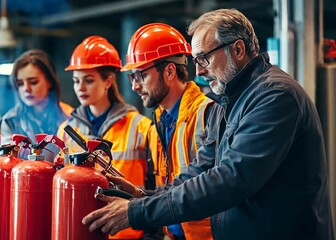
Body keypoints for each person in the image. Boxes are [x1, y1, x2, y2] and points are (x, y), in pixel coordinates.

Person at [82, 8, 334, 240]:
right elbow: (200, 169)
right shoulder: (229, 101)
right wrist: (143, 196)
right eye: (195, 61)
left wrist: (137, 213)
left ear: (237, 49)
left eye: (204, 59)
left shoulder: (275, 96)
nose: (199, 72)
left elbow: (231, 179)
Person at [120, 23, 213, 240]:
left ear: (170, 70)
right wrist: (139, 194)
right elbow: (170, 189)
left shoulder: (207, 114)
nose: (134, 86)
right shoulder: (156, 127)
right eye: (131, 77)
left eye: (140, 75)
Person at [56, 36, 152, 240]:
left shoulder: (141, 127)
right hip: (78, 230)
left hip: (127, 233)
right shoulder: (66, 131)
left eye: (88, 80)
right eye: (76, 81)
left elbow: (155, 187)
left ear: (108, 81)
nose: (80, 88)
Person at [0, 49, 73, 162]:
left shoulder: (70, 119)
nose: (26, 89)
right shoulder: (10, 122)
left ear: (49, 81)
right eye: (20, 84)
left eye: (33, 82)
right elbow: (2, 166)